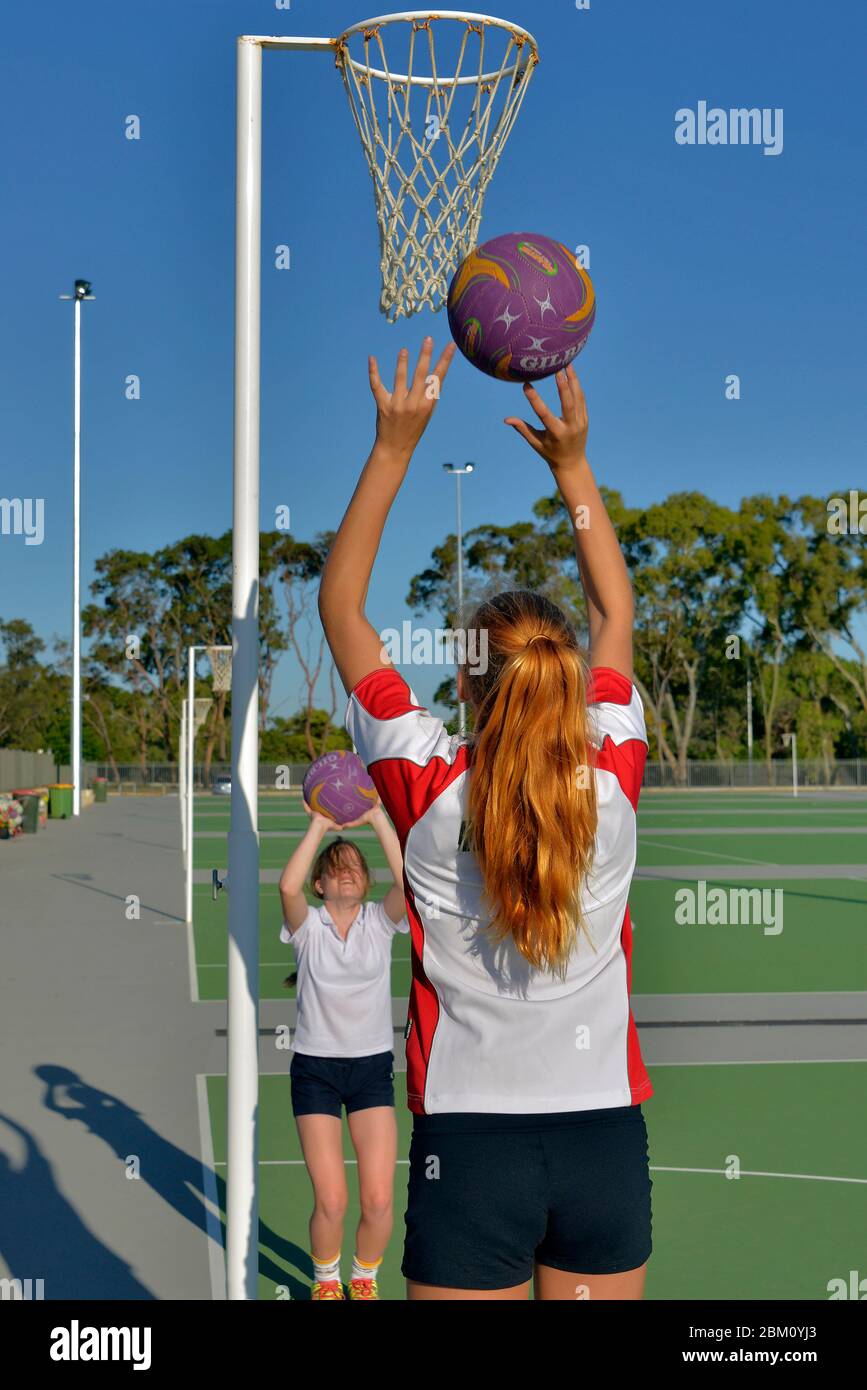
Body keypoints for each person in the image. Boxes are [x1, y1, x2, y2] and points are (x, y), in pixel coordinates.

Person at [318, 337, 653, 1300]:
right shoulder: (611, 782)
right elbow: (613, 612)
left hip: (466, 1145)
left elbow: (342, 610)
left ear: (464, 681)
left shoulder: (427, 786)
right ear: (569, 685)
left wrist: (392, 449)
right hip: (603, 1140)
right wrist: (574, 466)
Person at [279, 797, 410, 1301]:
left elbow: (409, 883)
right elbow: (286, 886)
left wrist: (377, 816)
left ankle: (364, 1279)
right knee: (331, 1200)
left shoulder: (380, 923)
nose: (349, 873)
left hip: (371, 1069)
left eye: (356, 867)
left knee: (378, 1201)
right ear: (322, 884)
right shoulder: (307, 929)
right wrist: (319, 823)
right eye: (337, 869)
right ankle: (327, 1285)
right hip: (315, 1070)